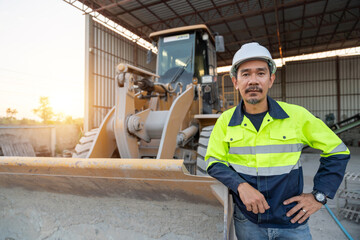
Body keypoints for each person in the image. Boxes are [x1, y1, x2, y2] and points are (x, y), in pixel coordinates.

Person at [205, 42, 350, 240]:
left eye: (261, 73)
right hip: (248, 222)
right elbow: (214, 161)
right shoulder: (225, 121)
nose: (253, 81)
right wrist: (240, 186)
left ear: (271, 79)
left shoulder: (296, 116)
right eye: (246, 74)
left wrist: (319, 196)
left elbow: (338, 151)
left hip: (292, 222)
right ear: (235, 81)